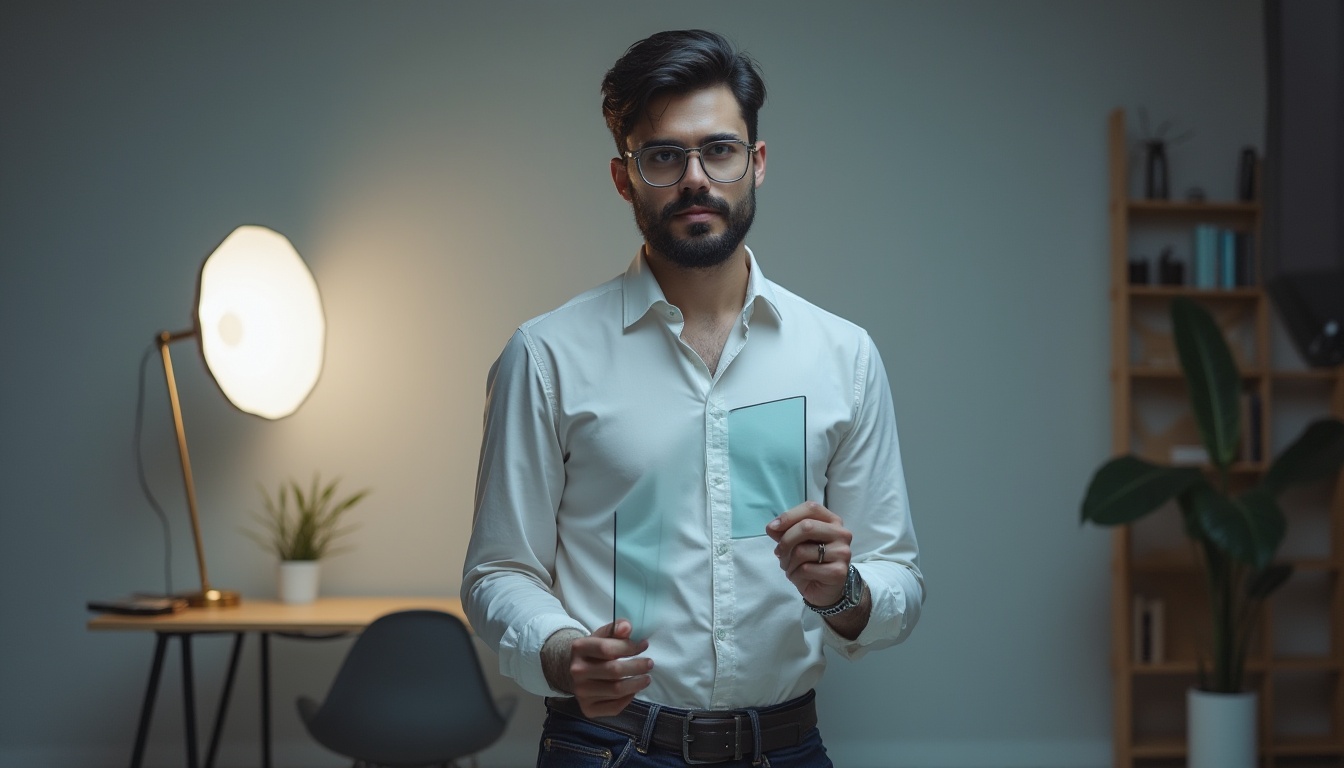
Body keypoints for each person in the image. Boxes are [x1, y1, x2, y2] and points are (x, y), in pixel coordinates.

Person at [462, 29, 923, 767]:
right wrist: (559, 654)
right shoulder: (545, 355)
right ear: (625, 178)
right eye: (664, 156)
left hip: (785, 747)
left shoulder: (843, 355)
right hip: (606, 746)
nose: (695, 178)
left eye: (720, 150)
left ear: (757, 163)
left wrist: (843, 592)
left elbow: (897, 574)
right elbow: (499, 571)